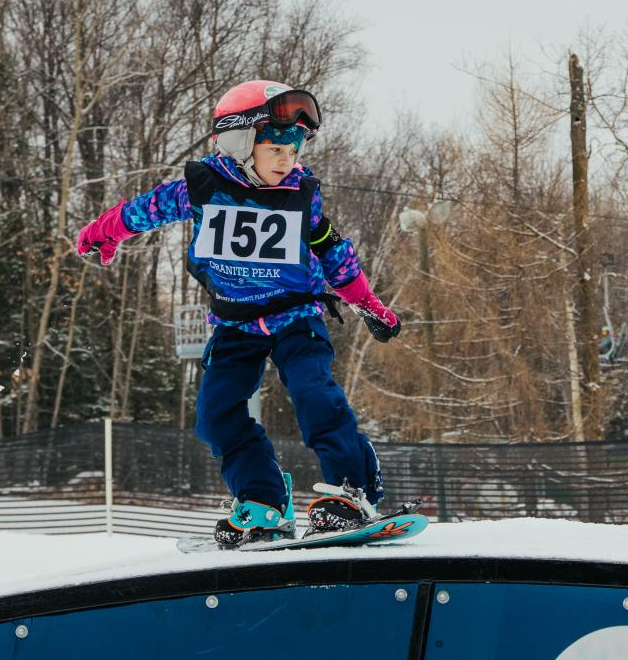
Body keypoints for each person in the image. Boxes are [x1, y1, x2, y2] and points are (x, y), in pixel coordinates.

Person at [75, 80, 401, 547]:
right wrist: (104, 233)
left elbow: (337, 256)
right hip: (235, 324)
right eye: (277, 148)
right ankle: (263, 501)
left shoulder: (300, 196)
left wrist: (370, 306)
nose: (288, 159)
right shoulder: (204, 186)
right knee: (215, 416)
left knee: (313, 392)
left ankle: (353, 493)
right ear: (240, 142)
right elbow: (143, 210)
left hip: (296, 316)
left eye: (295, 148)